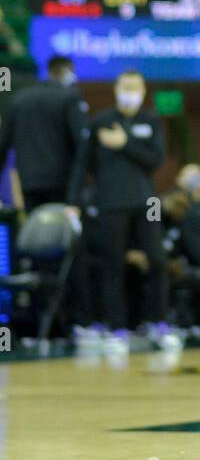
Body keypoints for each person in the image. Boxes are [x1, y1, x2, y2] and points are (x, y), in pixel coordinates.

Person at [67, 70, 168, 347]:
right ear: (116, 88)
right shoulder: (100, 122)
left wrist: (125, 144)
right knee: (112, 264)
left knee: (157, 259)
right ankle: (117, 326)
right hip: (110, 202)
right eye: (125, 86)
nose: (130, 91)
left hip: (147, 202)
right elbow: (81, 165)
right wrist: (73, 201)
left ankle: (159, 321)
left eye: (135, 87)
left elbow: (156, 159)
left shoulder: (151, 121)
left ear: (143, 90)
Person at [0, 56, 86, 213]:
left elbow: (3, 145)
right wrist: (76, 193)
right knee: (58, 234)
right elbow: (82, 145)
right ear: (68, 72)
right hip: (62, 184)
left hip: (28, 181)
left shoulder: (19, 99)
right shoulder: (70, 97)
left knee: (34, 231)